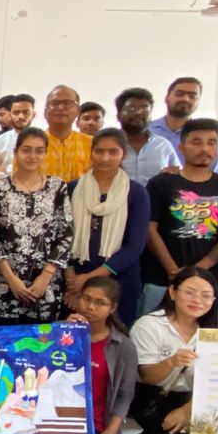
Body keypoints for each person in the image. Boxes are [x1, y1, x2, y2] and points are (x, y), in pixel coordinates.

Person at [4, 276, 136, 434]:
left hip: (94, 422)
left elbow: (124, 396)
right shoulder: (58, 329)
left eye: (100, 303)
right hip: (54, 415)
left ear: (113, 308)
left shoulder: (123, 346)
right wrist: (59, 333)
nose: (90, 307)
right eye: (86, 298)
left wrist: (110, 432)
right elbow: (34, 366)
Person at [142, 118, 218, 315]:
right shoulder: (161, 183)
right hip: (162, 280)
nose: (204, 149)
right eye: (197, 142)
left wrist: (197, 271)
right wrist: (173, 270)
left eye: (211, 142)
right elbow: (150, 229)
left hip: (209, 282)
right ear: (181, 147)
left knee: (205, 334)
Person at [127, 267, 218, 434]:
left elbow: (216, 382)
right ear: (172, 292)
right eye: (189, 292)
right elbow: (147, 377)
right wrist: (171, 362)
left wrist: (187, 411)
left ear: (214, 301)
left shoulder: (215, 332)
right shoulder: (149, 325)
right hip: (152, 396)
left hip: (193, 400)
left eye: (206, 296)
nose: (197, 300)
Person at [0, 127, 72, 325]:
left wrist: (46, 276)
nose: (32, 156)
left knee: (42, 342)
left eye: (39, 151)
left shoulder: (57, 187)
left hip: (45, 285)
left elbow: (65, 233)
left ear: (46, 153)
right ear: (16, 152)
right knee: (5, 341)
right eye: (26, 150)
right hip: (4, 282)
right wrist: (11, 279)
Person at [66, 129, 150, 325]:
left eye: (113, 152)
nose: (105, 158)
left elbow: (135, 246)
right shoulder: (72, 189)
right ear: (91, 153)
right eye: (99, 151)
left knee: (115, 336)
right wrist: (71, 280)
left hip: (119, 279)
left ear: (123, 154)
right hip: (75, 280)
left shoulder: (136, 193)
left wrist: (89, 279)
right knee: (73, 335)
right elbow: (62, 236)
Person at [149, 77, 218, 175]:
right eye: (179, 94)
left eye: (192, 96)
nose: (185, 99)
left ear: (198, 102)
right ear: (166, 98)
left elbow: (214, 175)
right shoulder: (147, 130)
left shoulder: (209, 139)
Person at [113, 88, 180, 186]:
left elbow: (179, 174)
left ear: (151, 116)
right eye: (132, 108)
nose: (138, 112)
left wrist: (174, 173)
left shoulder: (163, 145)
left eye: (144, 108)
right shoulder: (108, 145)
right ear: (118, 116)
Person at [41, 85, 92, 183]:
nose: (60, 107)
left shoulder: (92, 144)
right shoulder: (31, 145)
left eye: (67, 103)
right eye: (54, 103)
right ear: (45, 112)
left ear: (78, 111)